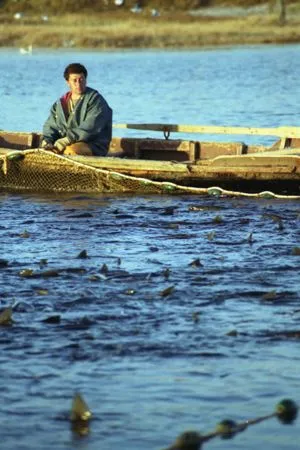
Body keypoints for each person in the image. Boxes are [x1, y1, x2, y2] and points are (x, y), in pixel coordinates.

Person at [41, 63, 112, 156]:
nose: (78, 83)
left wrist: (66, 140)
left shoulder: (96, 100)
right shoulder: (60, 103)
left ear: (86, 80)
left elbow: (90, 127)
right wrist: (47, 141)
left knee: (70, 151)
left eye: (81, 79)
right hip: (65, 144)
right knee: (46, 151)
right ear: (68, 82)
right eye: (74, 80)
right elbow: (50, 126)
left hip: (93, 145)